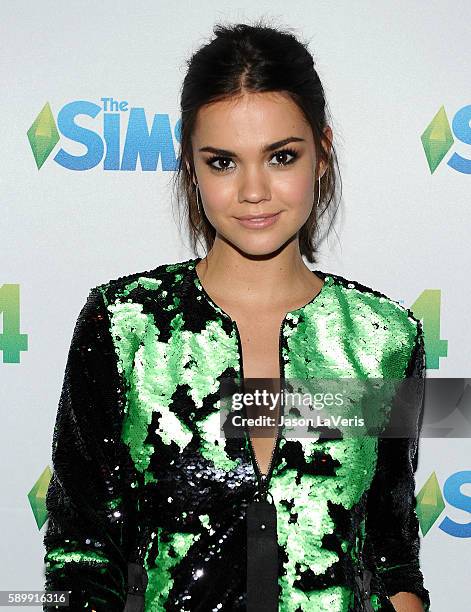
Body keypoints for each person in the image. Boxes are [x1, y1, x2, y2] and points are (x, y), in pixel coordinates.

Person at [43, 20, 431, 612]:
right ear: (192, 168)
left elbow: (391, 550)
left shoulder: (385, 339)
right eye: (223, 162)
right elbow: (83, 555)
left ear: (322, 154)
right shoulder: (125, 326)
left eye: (281, 156)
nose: (254, 190)